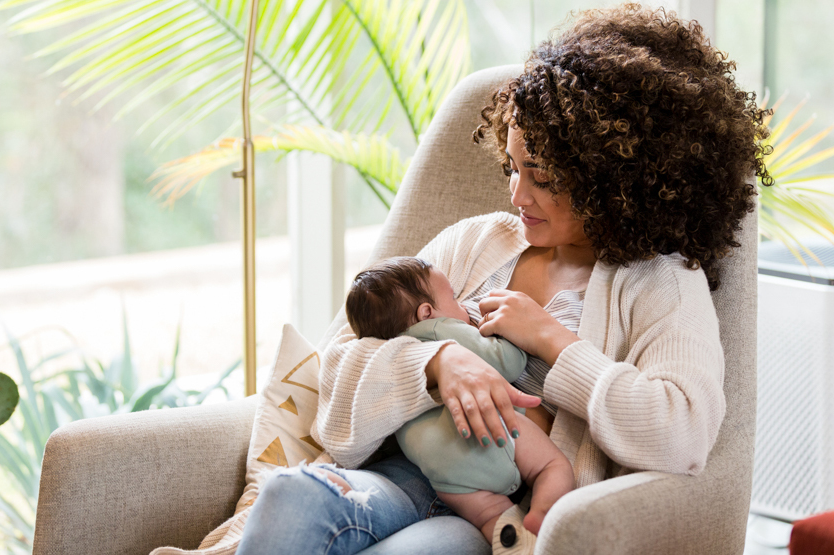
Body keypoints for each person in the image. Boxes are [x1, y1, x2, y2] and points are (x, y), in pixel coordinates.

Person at [235, 4, 769, 554]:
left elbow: (681, 433)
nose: (517, 196)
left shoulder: (660, 282)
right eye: (514, 167)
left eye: (542, 176)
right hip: (396, 472)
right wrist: (438, 363)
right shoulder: (474, 241)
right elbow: (339, 366)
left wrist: (551, 341)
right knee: (289, 496)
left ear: (613, 178)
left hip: (492, 515)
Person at [343, 255, 575, 547]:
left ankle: (513, 543)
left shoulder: (388, 351)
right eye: (453, 297)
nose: (463, 305)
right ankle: (542, 515)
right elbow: (507, 363)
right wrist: (508, 333)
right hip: (491, 433)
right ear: (427, 312)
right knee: (552, 467)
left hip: (441, 471)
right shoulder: (441, 330)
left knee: (491, 516)